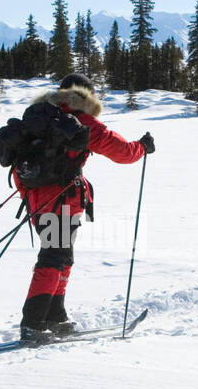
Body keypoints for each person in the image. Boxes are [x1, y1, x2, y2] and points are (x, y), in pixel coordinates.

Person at [16, 73, 153, 340]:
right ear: (86, 95)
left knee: (61, 257)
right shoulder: (80, 121)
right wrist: (142, 147)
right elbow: (121, 151)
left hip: (40, 200)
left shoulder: (40, 119)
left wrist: (32, 198)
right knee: (54, 258)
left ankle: (55, 316)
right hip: (61, 201)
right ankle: (32, 323)